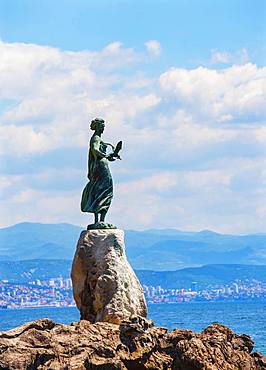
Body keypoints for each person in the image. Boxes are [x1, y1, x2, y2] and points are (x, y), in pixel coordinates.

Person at [81, 118, 119, 227]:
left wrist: (110, 156)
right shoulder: (96, 138)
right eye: (102, 125)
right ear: (97, 126)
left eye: (104, 125)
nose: (103, 128)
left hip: (102, 165)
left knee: (102, 190)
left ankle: (101, 220)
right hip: (101, 167)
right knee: (104, 190)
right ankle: (99, 220)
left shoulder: (98, 138)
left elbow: (98, 152)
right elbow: (95, 150)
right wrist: (105, 156)